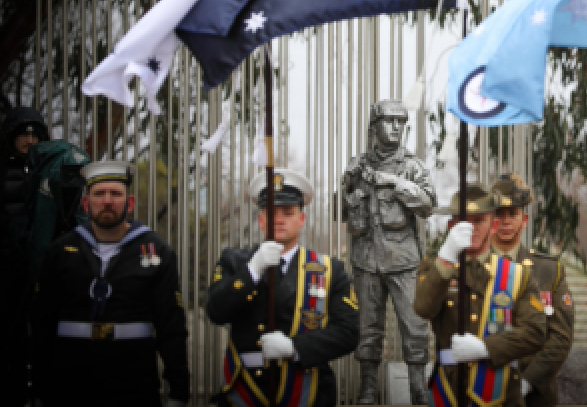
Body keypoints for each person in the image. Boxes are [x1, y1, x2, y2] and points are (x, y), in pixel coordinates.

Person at [31, 160, 190, 406]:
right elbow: (42, 324)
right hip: (69, 384)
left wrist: (179, 391)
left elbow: (171, 326)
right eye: (99, 194)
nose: (107, 201)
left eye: (116, 194)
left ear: (130, 203)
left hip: (133, 384)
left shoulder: (156, 251)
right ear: (86, 203)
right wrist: (38, 388)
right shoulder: (60, 252)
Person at [208, 168, 359, 407]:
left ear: (302, 219)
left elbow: (349, 333)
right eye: (270, 213)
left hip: (307, 391)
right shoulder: (235, 261)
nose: (278, 219)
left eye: (288, 213)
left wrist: (295, 347)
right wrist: (253, 270)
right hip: (247, 390)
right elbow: (216, 311)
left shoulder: (330, 270)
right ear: (260, 219)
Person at [413, 183, 547, 407]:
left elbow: (535, 332)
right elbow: (423, 309)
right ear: (451, 225)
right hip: (450, 390)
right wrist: (446, 256)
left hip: (501, 392)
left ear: (493, 226)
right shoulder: (436, 269)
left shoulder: (517, 275)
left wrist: (486, 347)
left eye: (479, 221)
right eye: (464, 222)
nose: (471, 228)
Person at [341, 99, 436, 404]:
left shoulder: (412, 166)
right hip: (366, 259)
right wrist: (348, 188)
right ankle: (368, 389)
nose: (396, 127)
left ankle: (418, 389)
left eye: (401, 122)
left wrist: (394, 182)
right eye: (389, 121)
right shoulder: (357, 166)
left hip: (403, 260)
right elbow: (339, 210)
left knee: (414, 326)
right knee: (367, 327)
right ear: (374, 126)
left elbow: (427, 205)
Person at [490, 173, 574, 407]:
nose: (506, 221)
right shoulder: (472, 269)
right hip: (482, 389)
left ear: (524, 220)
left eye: (513, 214)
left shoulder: (549, 270)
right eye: (499, 214)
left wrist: (527, 383)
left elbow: (560, 337)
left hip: (535, 396)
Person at [0, 106, 51, 406]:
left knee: (40, 341)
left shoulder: (50, 170)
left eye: (35, 133)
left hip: (40, 273)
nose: (29, 139)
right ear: (11, 136)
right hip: (0, 273)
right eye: (23, 133)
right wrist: (5, 225)